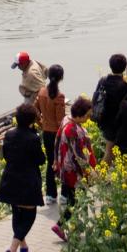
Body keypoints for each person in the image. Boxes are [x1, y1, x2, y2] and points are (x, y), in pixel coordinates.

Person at [0, 104, 44, 252]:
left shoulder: (9, 135)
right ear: (32, 120)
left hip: (11, 179)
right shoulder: (33, 138)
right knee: (29, 216)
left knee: (17, 213)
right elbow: (41, 160)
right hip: (27, 181)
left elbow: (6, 155)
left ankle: (23, 247)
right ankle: (12, 248)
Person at [51, 96, 96, 242]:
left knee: (74, 201)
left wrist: (55, 162)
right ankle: (62, 226)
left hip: (66, 169)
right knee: (78, 201)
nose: (88, 119)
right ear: (81, 114)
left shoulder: (67, 120)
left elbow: (56, 141)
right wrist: (89, 172)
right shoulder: (73, 130)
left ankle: (72, 228)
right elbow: (79, 156)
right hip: (73, 173)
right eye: (87, 116)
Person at [34, 64, 67, 203]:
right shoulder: (59, 96)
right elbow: (60, 120)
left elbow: (35, 110)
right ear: (61, 78)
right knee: (63, 162)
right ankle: (65, 195)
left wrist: (42, 123)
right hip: (57, 134)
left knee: (50, 162)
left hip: (46, 133)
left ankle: (50, 195)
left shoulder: (41, 92)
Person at [92, 53, 127, 148]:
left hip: (103, 120)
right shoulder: (126, 86)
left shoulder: (103, 81)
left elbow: (95, 99)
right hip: (118, 123)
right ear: (125, 67)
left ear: (110, 66)